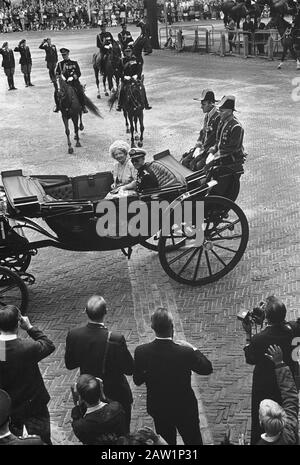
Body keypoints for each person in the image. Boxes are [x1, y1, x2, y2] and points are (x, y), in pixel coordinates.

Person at [133, 308, 213, 445]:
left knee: (166, 442)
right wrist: (193, 348)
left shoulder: (141, 352)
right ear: (172, 327)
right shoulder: (185, 352)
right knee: (193, 441)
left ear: (152, 327)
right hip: (185, 409)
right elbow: (207, 368)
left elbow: (137, 380)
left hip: (159, 408)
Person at [65, 295, 133, 433]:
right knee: (122, 431)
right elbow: (129, 369)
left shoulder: (73, 334)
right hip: (116, 392)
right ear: (106, 311)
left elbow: (70, 364)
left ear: (85, 311)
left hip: (89, 393)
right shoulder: (115, 339)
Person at [242, 296, 300, 444]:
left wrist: (248, 334)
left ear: (267, 318)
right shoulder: (294, 329)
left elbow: (251, 358)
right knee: (287, 408)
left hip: (264, 384)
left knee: (264, 414)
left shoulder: (259, 339)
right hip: (287, 378)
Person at [0, 305, 55, 444]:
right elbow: (48, 345)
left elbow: (6, 356)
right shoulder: (27, 348)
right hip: (34, 407)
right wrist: (30, 327)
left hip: (11, 409)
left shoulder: (1, 349)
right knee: (43, 439)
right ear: (19, 323)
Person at [257, 345, 299, 445]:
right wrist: (280, 363)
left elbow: (291, 398)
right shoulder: (289, 430)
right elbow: (290, 396)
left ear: (260, 422)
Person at [206, 95, 245, 200]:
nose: (219, 113)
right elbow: (218, 142)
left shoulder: (236, 127)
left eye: (222, 111)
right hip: (221, 157)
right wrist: (212, 151)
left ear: (229, 111)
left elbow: (231, 149)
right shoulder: (222, 123)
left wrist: (214, 157)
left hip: (231, 161)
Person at [71, 374, 127, 445]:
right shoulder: (117, 408)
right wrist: (103, 396)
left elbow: (83, 439)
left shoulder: (80, 426)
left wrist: (77, 403)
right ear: (100, 390)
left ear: (81, 398)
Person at [181, 89, 220, 171]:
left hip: (210, 150)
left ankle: (194, 184)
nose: (201, 106)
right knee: (184, 161)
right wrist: (198, 146)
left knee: (196, 166)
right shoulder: (207, 116)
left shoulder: (218, 117)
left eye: (203, 104)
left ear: (210, 104)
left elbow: (218, 138)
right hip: (203, 148)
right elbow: (203, 133)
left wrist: (212, 152)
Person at [116, 45, 151, 111]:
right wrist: (124, 77)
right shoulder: (122, 61)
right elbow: (119, 71)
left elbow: (139, 69)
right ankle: (119, 105)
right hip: (126, 79)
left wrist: (137, 75)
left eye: (129, 51)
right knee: (121, 89)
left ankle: (146, 104)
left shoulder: (136, 59)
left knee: (142, 88)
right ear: (124, 52)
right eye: (126, 51)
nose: (128, 53)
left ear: (132, 52)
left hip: (135, 78)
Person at [54, 47, 87, 113]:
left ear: (68, 54)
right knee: (56, 93)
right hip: (65, 83)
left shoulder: (74, 63)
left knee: (80, 91)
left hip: (74, 82)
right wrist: (60, 77)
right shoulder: (60, 64)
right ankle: (57, 106)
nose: (64, 56)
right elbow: (57, 74)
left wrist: (73, 77)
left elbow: (79, 73)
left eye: (65, 55)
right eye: (63, 55)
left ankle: (83, 106)